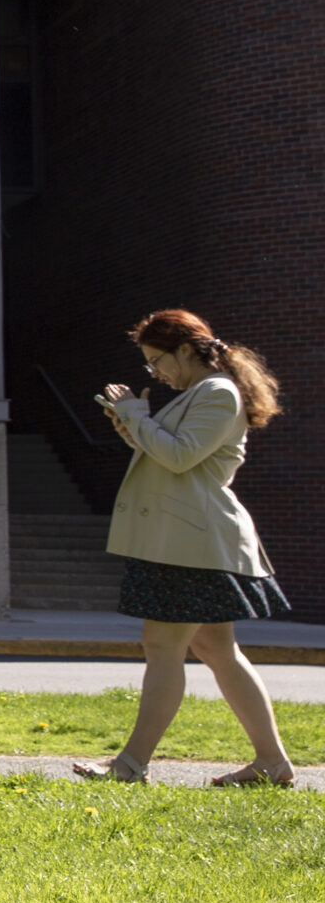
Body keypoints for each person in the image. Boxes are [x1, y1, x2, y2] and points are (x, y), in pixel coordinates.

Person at [73, 309, 295, 786]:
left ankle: (130, 765)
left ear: (187, 351)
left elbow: (179, 456)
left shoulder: (216, 392)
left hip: (191, 540)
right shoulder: (200, 393)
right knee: (217, 649)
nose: (157, 373)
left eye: (158, 361)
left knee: (162, 644)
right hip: (189, 537)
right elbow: (172, 453)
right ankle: (271, 764)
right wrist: (132, 428)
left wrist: (137, 414)